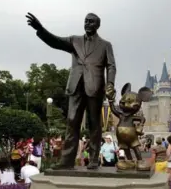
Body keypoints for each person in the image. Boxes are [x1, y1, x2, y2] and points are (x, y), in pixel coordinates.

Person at [26, 12, 117, 170]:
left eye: (91, 22)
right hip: (75, 86)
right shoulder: (75, 40)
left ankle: (94, 159)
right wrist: (40, 29)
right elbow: (55, 41)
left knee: (94, 124)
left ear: (97, 25)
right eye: (86, 21)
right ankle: (67, 160)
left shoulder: (105, 45)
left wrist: (110, 83)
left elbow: (111, 66)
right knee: (72, 121)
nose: (87, 24)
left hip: (95, 87)